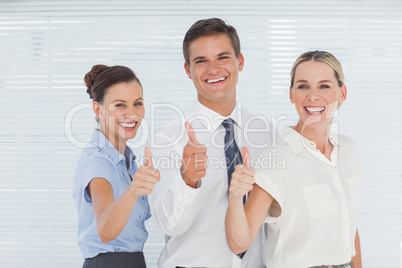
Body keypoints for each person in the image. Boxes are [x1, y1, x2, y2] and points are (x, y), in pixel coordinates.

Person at [149, 18, 273, 268]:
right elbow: (169, 225)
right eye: (201, 61)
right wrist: (187, 181)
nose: (213, 69)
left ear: (240, 61)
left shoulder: (265, 131)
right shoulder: (168, 137)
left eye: (223, 57)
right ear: (188, 70)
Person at [225, 50, 364, 268]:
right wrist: (235, 197)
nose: (312, 96)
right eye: (303, 86)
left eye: (324, 86)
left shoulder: (348, 150)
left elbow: (348, 226)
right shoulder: (277, 160)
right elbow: (238, 244)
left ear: (342, 93)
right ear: (291, 94)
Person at [72, 64, 160, 268]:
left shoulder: (127, 162)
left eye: (137, 103)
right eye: (120, 105)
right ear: (98, 109)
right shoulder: (99, 161)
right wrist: (133, 191)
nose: (132, 114)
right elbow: (105, 230)